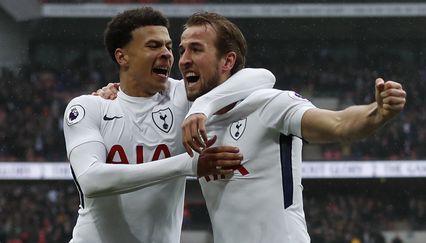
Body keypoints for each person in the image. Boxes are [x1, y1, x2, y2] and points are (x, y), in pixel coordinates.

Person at [98, 11, 406, 243]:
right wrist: (111, 92)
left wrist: (377, 112)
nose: (183, 60)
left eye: (196, 49)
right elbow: (141, 95)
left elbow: (338, 123)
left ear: (227, 61)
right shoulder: (190, 115)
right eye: (183, 50)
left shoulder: (269, 104)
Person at [63, 7, 275, 243]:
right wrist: (188, 164)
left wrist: (202, 106)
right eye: (153, 46)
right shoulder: (88, 107)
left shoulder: (182, 97)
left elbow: (263, 77)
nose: (167, 54)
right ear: (122, 57)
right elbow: (92, 180)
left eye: (168, 46)